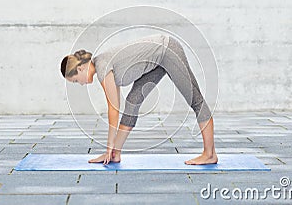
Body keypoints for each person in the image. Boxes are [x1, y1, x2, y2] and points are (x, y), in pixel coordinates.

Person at [60, 34, 218, 165]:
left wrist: (108, 146)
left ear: (80, 68)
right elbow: (117, 105)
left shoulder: (102, 66)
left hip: (167, 50)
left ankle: (210, 154)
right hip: (157, 61)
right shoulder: (102, 65)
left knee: (196, 100)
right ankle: (116, 154)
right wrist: (111, 150)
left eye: (75, 80)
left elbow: (113, 110)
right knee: (132, 101)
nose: (80, 84)